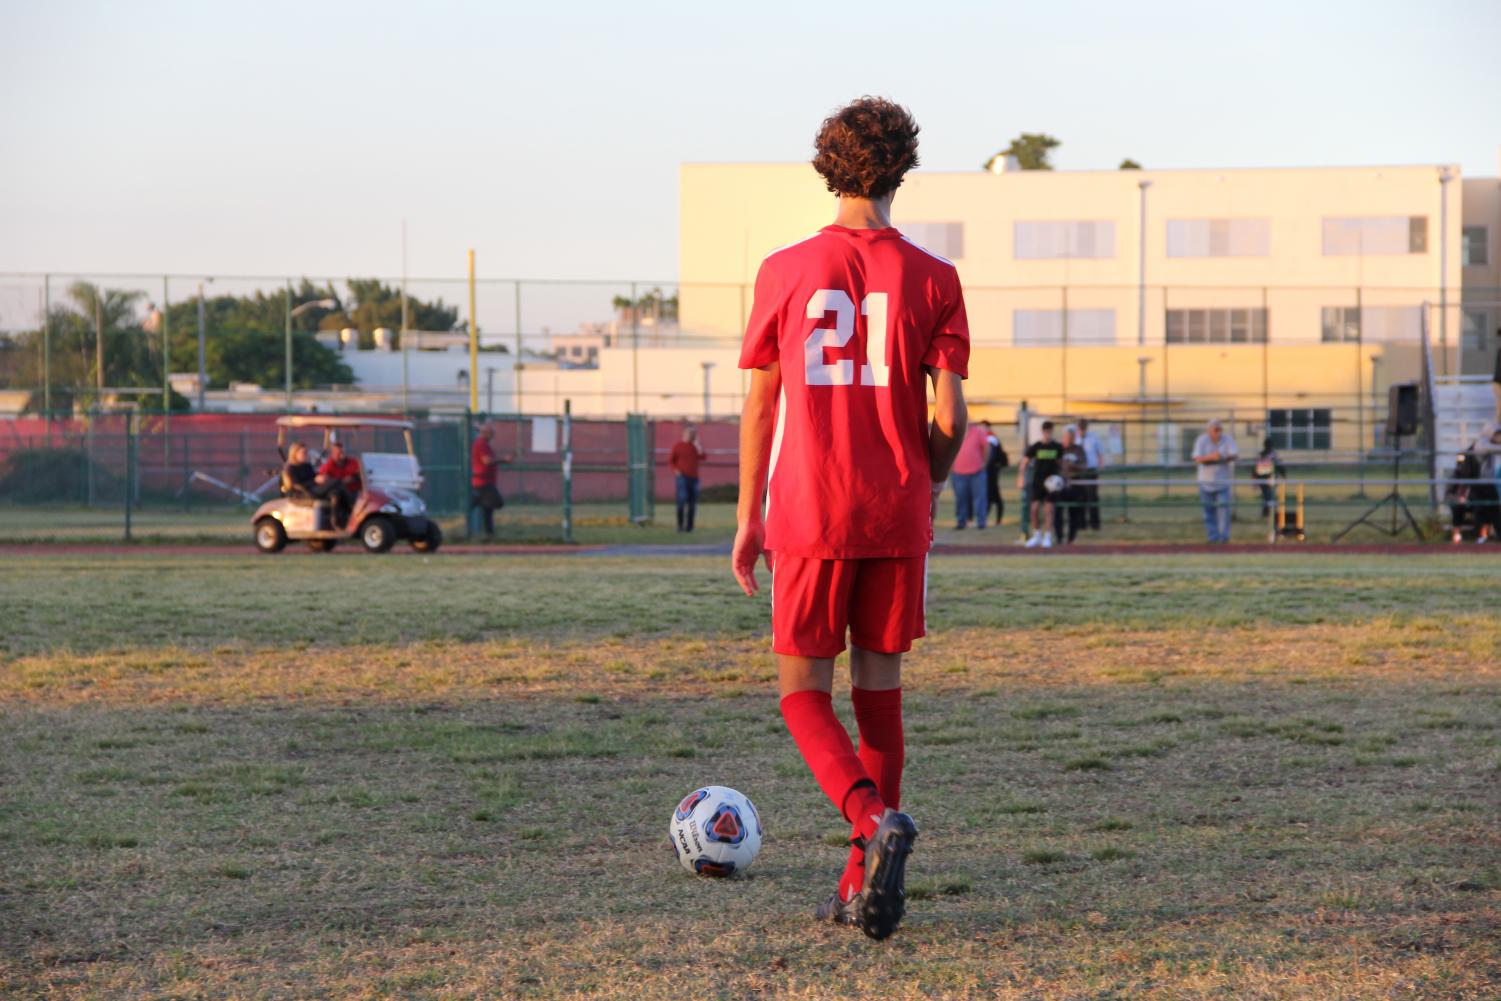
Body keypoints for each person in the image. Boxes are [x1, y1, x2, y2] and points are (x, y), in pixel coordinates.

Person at [730, 96, 968, 941]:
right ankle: (856, 880)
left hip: (808, 507)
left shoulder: (783, 269)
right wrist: (924, 485)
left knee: (802, 696)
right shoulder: (935, 277)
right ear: (902, 168)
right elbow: (950, 420)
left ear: (825, 167)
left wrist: (749, 516)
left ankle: (869, 828)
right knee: (879, 699)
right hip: (893, 513)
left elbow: (762, 403)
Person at [1191, 418, 1238, 543]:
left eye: (1219, 429)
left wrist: (1223, 456)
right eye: (1214, 429)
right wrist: (1211, 457)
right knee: (1208, 511)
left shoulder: (1227, 439)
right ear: (1208, 430)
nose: (1217, 432)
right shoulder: (1202, 440)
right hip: (1205, 482)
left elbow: (1234, 455)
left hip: (1223, 482)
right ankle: (1212, 537)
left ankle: (1224, 537)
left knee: (1224, 511)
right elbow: (1197, 458)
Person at [1017, 420, 1062, 548]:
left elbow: (1061, 463)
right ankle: (1037, 535)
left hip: (1052, 484)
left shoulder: (1057, 447)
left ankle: (1047, 536)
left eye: (1050, 432)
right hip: (1038, 482)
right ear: (1043, 432)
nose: (1048, 434)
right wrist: (1020, 477)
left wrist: (1063, 478)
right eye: (1046, 432)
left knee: (1049, 510)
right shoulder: (1036, 446)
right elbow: (1024, 462)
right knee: (1034, 509)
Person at [470, 421, 512, 540]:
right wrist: (503, 460)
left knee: (488, 510)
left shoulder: (485, 444)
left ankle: (489, 534)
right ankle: (476, 501)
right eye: (491, 432)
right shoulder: (481, 443)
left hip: (486, 481)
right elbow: (487, 461)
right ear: (486, 433)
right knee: (497, 502)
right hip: (483, 482)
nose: (493, 435)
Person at [949, 422, 989, 529]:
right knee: (960, 499)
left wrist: (984, 463)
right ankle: (961, 522)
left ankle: (981, 522)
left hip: (977, 472)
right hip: (958, 473)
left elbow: (986, 447)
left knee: (980, 498)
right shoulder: (954, 433)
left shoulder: (978, 432)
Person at [315, 438, 361, 528]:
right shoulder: (329, 465)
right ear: (333, 453)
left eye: (342, 452)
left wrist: (353, 478)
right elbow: (323, 478)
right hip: (340, 493)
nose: (341, 455)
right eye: (338, 452)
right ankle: (336, 520)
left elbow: (359, 475)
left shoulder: (352, 462)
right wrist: (341, 481)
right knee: (336, 492)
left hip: (353, 490)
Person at [669, 425, 707, 532]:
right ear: (685, 434)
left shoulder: (695, 446)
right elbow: (671, 461)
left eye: (693, 434)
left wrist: (698, 445)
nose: (691, 436)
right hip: (682, 478)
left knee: (692, 504)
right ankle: (680, 526)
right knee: (681, 501)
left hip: (694, 479)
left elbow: (703, 457)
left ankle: (690, 527)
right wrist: (676, 470)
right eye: (690, 433)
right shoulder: (678, 446)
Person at [1055, 425, 1087, 545]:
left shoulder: (1078, 450)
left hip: (1075, 484)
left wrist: (1072, 467)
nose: (1068, 439)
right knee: (1058, 511)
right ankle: (1059, 538)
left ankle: (1071, 538)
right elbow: (1054, 464)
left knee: (1074, 512)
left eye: (1070, 437)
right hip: (1060, 485)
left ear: (1073, 438)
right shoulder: (1058, 449)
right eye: (1066, 437)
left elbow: (1084, 466)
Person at [1076, 418, 1104, 531]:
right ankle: (1081, 524)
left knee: (1093, 497)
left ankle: (1095, 524)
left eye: (1084, 427)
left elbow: (1100, 453)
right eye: (1080, 428)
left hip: (1091, 471)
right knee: (1080, 497)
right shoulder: (1075, 439)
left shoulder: (1093, 437)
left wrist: (1100, 466)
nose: (1082, 430)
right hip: (1078, 471)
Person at [1251, 437, 1286, 519]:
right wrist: (1283, 474)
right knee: (1269, 496)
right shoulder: (1273, 455)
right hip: (1270, 478)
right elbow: (1279, 466)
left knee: (1267, 496)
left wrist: (1254, 478)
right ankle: (1268, 513)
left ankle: (1267, 513)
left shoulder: (1261, 455)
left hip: (1262, 478)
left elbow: (1255, 468)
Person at [982, 420, 1009, 527]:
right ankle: (991, 519)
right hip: (991, 470)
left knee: (992, 494)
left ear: (988, 428)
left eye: (983, 427)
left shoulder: (991, 438)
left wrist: (985, 465)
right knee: (991, 495)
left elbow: (991, 456)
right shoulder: (990, 437)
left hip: (991, 470)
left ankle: (990, 519)